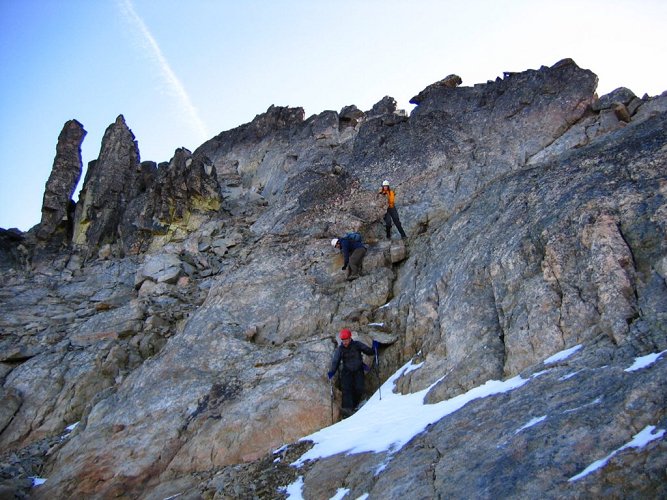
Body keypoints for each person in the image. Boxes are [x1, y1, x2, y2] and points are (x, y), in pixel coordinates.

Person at [327, 329, 377, 417]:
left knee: (359, 388)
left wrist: (374, 348)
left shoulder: (357, 345)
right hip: (347, 371)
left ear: (350, 338)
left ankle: (355, 406)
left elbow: (368, 351)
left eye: (346, 340)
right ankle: (347, 411)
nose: (344, 342)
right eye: (343, 340)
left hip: (358, 370)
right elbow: (335, 362)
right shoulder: (340, 349)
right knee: (346, 390)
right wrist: (332, 372)